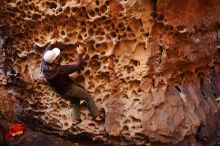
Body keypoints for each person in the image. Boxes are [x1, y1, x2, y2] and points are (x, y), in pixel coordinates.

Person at [39, 39, 103, 124]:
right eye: (56, 56)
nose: (58, 56)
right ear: (54, 60)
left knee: (75, 101)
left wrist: (51, 44)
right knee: (88, 97)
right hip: (70, 89)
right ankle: (97, 116)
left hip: (60, 92)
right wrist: (80, 53)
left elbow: (45, 55)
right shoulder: (61, 70)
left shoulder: (43, 66)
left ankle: (76, 119)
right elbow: (78, 66)